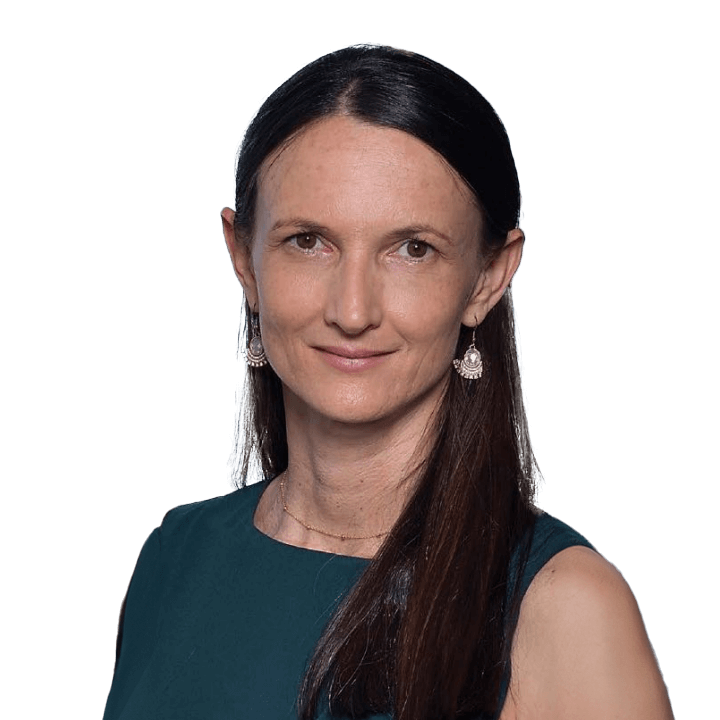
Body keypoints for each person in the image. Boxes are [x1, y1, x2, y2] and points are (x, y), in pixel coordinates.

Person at [102, 44, 674, 719]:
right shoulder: (175, 556)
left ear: (488, 277)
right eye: (308, 241)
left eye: (412, 249)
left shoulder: (565, 610)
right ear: (244, 259)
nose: (352, 311)